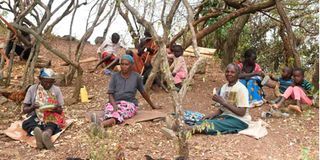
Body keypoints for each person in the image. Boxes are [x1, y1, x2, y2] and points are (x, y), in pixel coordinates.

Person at [179, 63, 250, 135]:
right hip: (227, 117)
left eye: (232, 72)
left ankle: (191, 129)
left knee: (214, 124)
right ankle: (190, 127)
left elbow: (242, 112)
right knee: (203, 120)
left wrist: (224, 102)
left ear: (238, 74)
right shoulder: (224, 87)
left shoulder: (241, 89)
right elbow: (223, 109)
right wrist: (212, 115)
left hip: (240, 121)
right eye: (227, 72)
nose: (229, 74)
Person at [94, 55, 160, 127]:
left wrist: (153, 105)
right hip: (114, 102)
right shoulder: (115, 76)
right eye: (122, 64)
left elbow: (143, 92)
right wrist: (114, 105)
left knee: (119, 113)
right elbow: (110, 94)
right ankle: (102, 123)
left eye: (126, 64)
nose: (123, 66)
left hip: (129, 104)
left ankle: (101, 124)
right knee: (110, 110)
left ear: (132, 65)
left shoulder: (137, 77)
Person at [22, 68, 65, 149]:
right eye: (45, 82)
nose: (48, 85)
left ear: (53, 82)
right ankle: (39, 134)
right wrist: (32, 107)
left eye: (51, 82)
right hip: (37, 116)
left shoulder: (56, 90)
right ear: (40, 80)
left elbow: (60, 110)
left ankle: (46, 135)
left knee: (53, 124)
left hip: (52, 116)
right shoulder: (32, 89)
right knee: (26, 123)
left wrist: (55, 108)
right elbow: (24, 110)